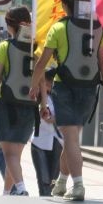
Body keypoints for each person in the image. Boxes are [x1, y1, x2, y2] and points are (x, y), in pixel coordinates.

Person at [29, 0, 103, 202]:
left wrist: (33, 86)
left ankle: (78, 185)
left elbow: (42, 62)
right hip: (89, 89)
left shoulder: (59, 27)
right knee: (71, 138)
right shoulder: (98, 27)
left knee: (70, 139)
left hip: (65, 86)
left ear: (65, 4)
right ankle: (62, 182)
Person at [0, 6, 38, 196]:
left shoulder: (5, 46)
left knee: (9, 154)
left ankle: (21, 189)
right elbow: (40, 80)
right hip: (30, 107)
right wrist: (44, 104)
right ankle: (7, 192)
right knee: (16, 155)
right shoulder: (34, 49)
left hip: (7, 103)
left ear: (10, 25)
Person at [31, 67, 64, 196]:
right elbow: (47, 117)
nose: (49, 84)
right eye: (46, 81)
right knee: (43, 182)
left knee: (54, 183)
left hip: (58, 143)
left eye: (50, 81)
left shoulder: (60, 98)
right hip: (40, 143)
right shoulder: (37, 98)